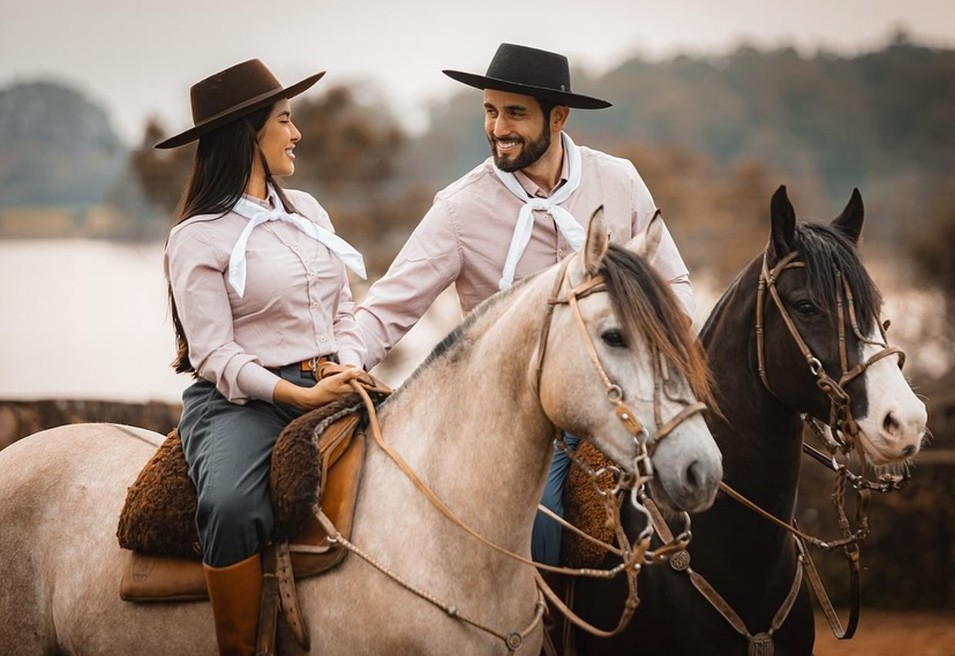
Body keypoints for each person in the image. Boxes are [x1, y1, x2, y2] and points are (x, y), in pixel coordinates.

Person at [354, 43, 697, 568]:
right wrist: (329, 368)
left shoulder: (619, 182)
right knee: (541, 522)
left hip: (625, 395)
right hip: (517, 416)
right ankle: (544, 641)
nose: (498, 128)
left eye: (515, 112)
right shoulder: (460, 208)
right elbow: (388, 307)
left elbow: (672, 283)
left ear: (557, 117)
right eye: (490, 111)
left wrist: (662, 366)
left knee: (710, 480)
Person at [157, 58, 369, 655]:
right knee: (228, 504)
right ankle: (240, 648)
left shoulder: (309, 213)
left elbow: (343, 312)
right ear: (249, 133)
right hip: (240, 404)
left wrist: (346, 362)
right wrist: (296, 394)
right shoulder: (196, 236)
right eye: (285, 119)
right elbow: (215, 354)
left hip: (331, 380)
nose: (296, 132)